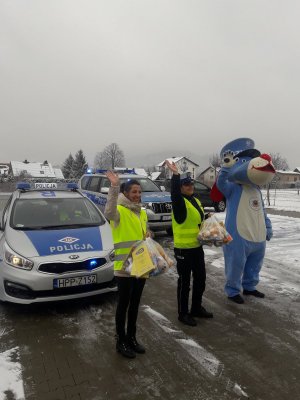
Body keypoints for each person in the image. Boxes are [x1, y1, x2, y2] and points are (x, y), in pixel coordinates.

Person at [104, 171, 148, 359]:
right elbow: (108, 212)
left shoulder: (141, 212)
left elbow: (140, 234)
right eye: (133, 192)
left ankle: (132, 337)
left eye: (139, 192)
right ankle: (120, 341)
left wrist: (148, 235)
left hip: (141, 265)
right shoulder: (119, 211)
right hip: (124, 267)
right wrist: (114, 187)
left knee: (135, 304)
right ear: (126, 193)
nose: (137, 195)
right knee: (124, 304)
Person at [165, 160, 213, 327]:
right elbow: (174, 195)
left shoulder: (195, 201)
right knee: (185, 283)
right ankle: (183, 313)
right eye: (185, 184)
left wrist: (209, 223)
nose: (189, 186)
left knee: (201, 279)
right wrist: (176, 175)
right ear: (180, 187)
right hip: (183, 250)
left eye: (190, 183)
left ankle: (196, 308)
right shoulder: (179, 203)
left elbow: (197, 221)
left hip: (197, 247)